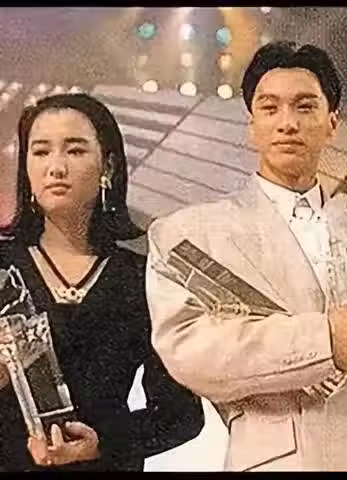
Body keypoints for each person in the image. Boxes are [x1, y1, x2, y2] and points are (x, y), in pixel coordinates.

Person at [145, 40, 347, 471]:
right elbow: (190, 351)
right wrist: (323, 342)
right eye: (270, 108)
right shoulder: (192, 235)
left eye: (305, 107)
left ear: (332, 123)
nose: (288, 123)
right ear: (252, 126)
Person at [0, 93, 204, 471]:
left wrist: (102, 444)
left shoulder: (144, 278)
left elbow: (181, 416)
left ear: (107, 165)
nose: (55, 167)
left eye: (75, 151)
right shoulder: (3, 266)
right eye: (40, 152)